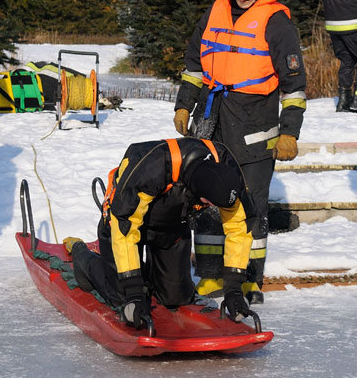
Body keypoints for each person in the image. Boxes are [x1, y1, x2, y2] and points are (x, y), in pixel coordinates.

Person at [172, 0, 306, 304]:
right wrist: (185, 104)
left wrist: (290, 131)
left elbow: (294, 86)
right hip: (212, 119)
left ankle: (249, 280)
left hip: (255, 122)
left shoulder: (277, 22)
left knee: (250, 206)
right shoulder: (214, 11)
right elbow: (193, 64)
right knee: (207, 200)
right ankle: (212, 277)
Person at [64, 137, 257, 328]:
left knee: (176, 297)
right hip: (123, 224)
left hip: (171, 226)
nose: (212, 207)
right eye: (209, 203)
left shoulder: (226, 168)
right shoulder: (154, 168)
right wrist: (133, 290)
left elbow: (240, 227)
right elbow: (125, 229)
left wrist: (233, 289)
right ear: (197, 189)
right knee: (124, 298)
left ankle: (149, 276)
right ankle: (84, 259)